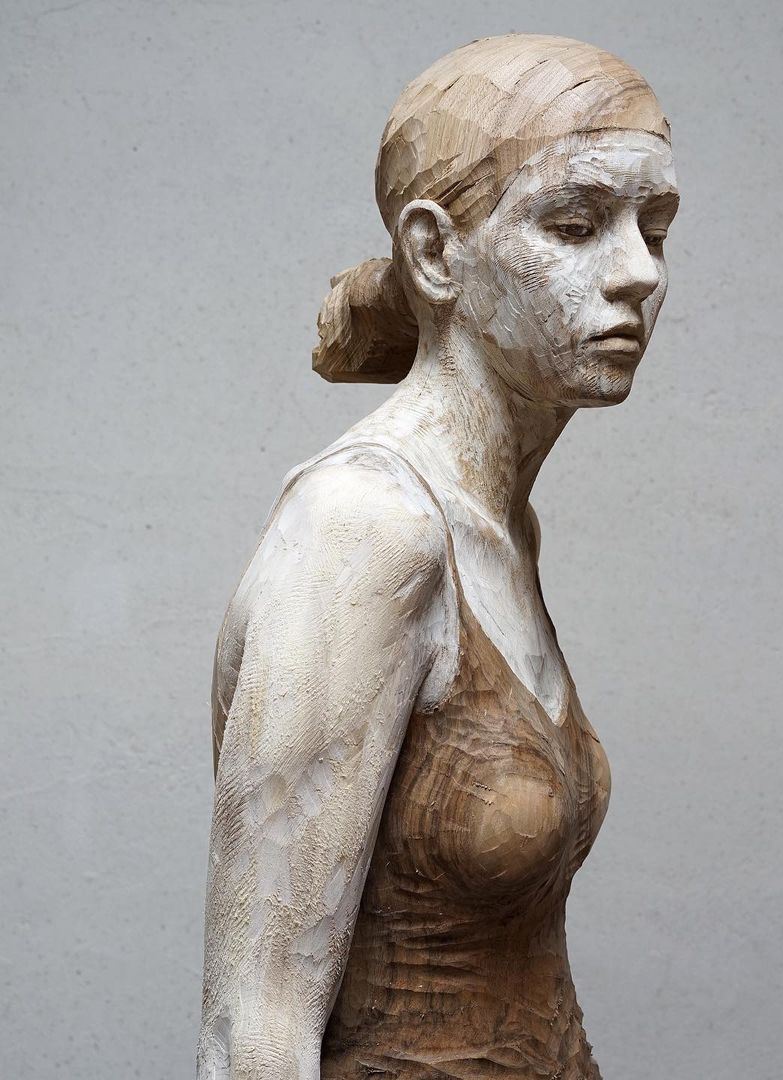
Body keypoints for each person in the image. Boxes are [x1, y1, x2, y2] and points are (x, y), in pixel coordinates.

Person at [197, 33, 679, 1080]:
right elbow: (254, 1027)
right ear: (435, 254)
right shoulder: (365, 530)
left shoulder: (502, 527)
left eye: (655, 227)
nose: (639, 272)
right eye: (576, 225)